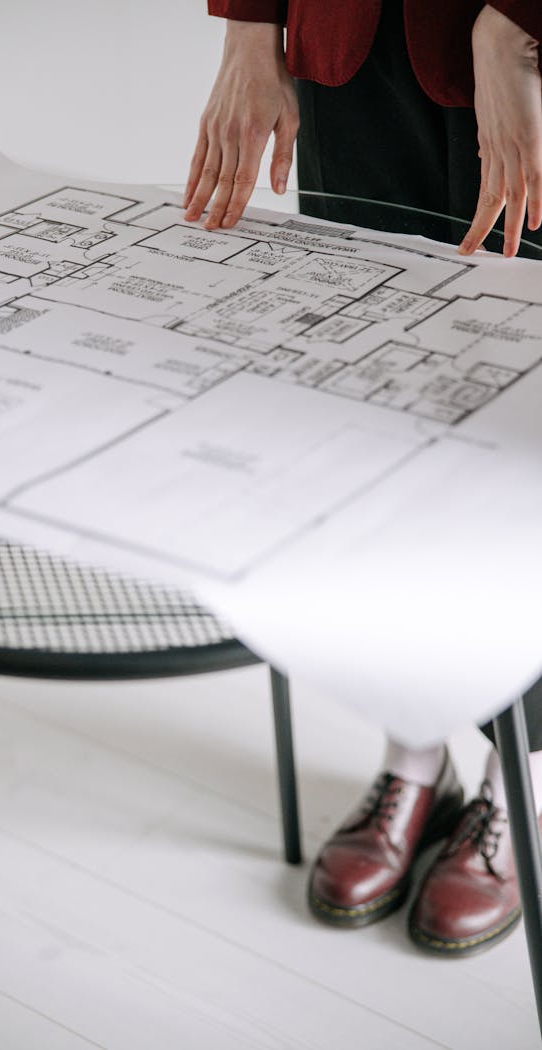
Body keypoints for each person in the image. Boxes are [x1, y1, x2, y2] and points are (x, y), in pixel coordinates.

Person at [183, 0, 542, 956]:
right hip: (350, 39)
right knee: (385, 423)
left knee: (526, 442)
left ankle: (521, 791)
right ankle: (414, 751)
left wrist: (515, 27)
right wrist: (249, 28)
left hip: (524, 43)